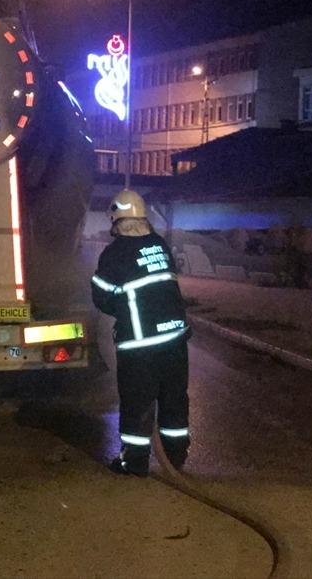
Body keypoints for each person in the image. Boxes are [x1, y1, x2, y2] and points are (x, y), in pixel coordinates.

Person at [91, 189, 190, 477]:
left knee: (137, 402)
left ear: (116, 220)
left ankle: (133, 463)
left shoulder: (115, 253)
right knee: (174, 399)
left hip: (140, 344)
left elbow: (101, 297)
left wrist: (121, 308)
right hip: (175, 339)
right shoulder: (159, 243)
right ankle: (175, 459)